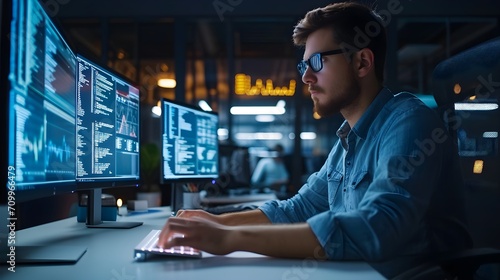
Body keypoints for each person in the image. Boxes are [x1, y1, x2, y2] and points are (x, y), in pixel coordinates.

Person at [158, 1, 472, 263]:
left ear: (362, 62)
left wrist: (231, 238)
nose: (306, 77)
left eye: (317, 62)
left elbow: (378, 228)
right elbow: (300, 208)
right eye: (303, 66)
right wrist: (214, 222)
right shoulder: (348, 139)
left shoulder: (408, 121)